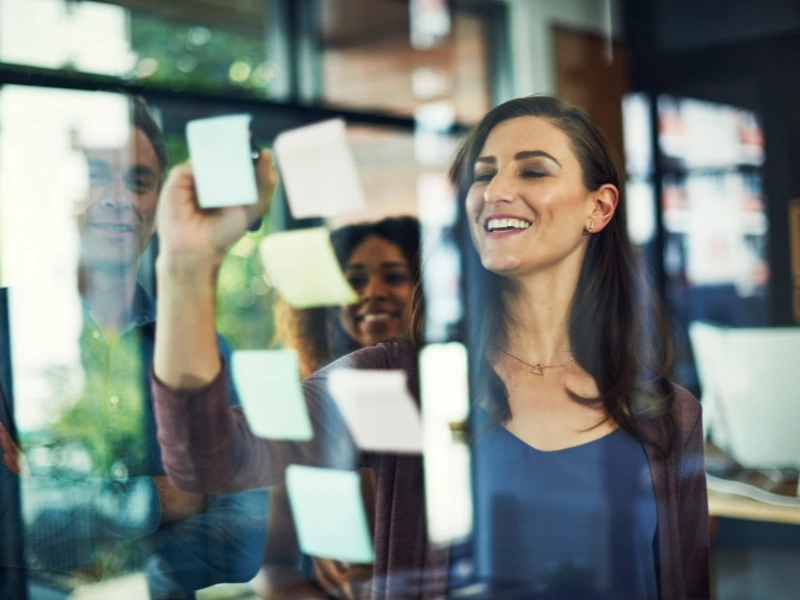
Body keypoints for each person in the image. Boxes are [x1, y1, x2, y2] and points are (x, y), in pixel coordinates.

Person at [151, 96, 709, 599]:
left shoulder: (666, 413)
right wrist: (185, 266)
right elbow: (208, 458)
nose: (496, 192)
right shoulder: (399, 382)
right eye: (481, 175)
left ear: (600, 207)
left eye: (533, 170)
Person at [0, 96, 268, 598]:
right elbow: (10, 524)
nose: (118, 198)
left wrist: (121, 567)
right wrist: (172, 498)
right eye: (96, 174)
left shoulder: (207, 351)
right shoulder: (5, 333)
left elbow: (243, 538)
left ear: (157, 203)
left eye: (138, 181)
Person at [253, 217, 421, 599]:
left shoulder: (458, 402)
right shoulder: (308, 415)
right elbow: (271, 569)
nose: (373, 292)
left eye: (394, 276)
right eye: (354, 280)